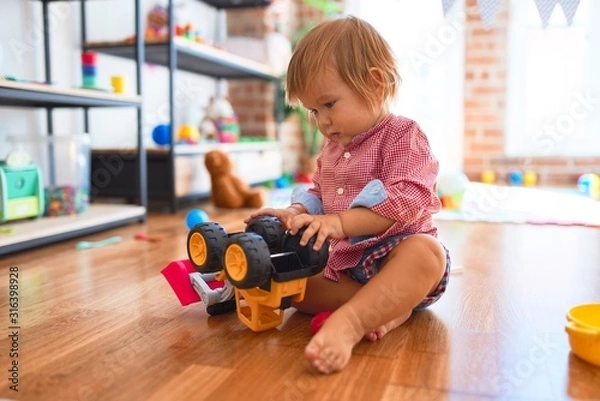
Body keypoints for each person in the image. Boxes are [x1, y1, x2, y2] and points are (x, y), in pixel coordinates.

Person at [244, 15, 451, 374]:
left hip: (395, 256)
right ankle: (385, 308)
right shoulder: (331, 149)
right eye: (312, 110)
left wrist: (340, 223)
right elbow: (318, 194)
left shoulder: (403, 136)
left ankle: (352, 322)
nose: (321, 121)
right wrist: (294, 212)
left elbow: (407, 199)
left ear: (375, 84)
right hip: (347, 267)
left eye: (329, 104)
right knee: (292, 284)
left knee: (427, 254)